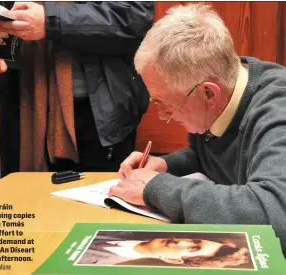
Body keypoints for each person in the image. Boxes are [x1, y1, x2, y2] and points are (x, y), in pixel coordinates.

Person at [108, 3, 286, 256]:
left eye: (166, 104)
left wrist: (157, 188)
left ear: (207, 92)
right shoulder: (226, 91)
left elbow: (275, 216)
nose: (163, 115)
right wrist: (168, 166)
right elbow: (230, 155)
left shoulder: (278, 112)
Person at [0, 1, 154, 172]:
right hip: (27, 102)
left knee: (99, 201)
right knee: (35, 199)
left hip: (99, 114)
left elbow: (133, 16)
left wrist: (51, 21)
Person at [77, 230, 252, 268]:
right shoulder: (122, 227)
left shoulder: (97, 265)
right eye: (196, 240)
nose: (182, 242)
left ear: (173, 260)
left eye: (192, 248)